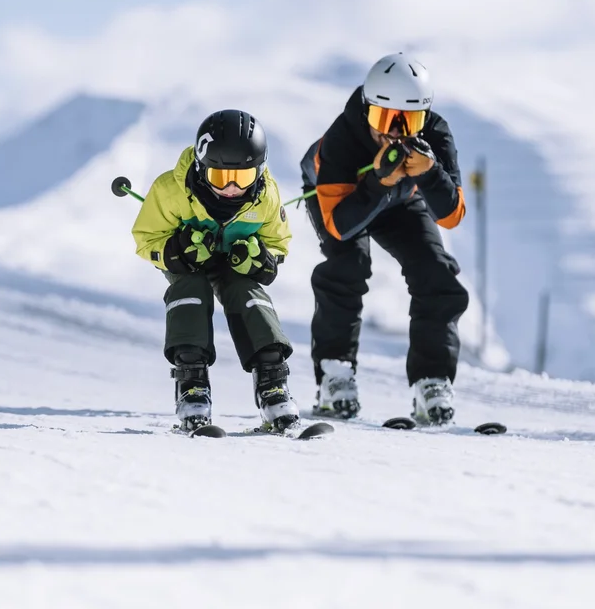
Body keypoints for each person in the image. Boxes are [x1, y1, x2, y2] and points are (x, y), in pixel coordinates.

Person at [300, 53, 469, 425]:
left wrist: (430, 172)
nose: (394, 132)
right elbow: (339, 226)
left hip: (401, 201)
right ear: (367, 108)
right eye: (384, 118)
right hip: (340, 200)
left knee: (437, 272)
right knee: (348, 265)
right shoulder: (344, 136)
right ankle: (334, 373)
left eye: (408, 121)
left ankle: (432, 379)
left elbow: (451, 215)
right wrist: (378, 182)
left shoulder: (435, 135)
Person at [132, 109, 300, 433]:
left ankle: (273, 384)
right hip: (191, 263)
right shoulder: (171, 190)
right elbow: (145, 237)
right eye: (220, 177)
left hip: (234, 266)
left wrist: (261, 260)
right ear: (200, 166)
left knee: (248, 294)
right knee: (190, 291)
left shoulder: (266, 197)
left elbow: (278, 243)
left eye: (244, 177)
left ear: (260, 171)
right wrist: (177, 250)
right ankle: (192, 384)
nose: (232, 188)